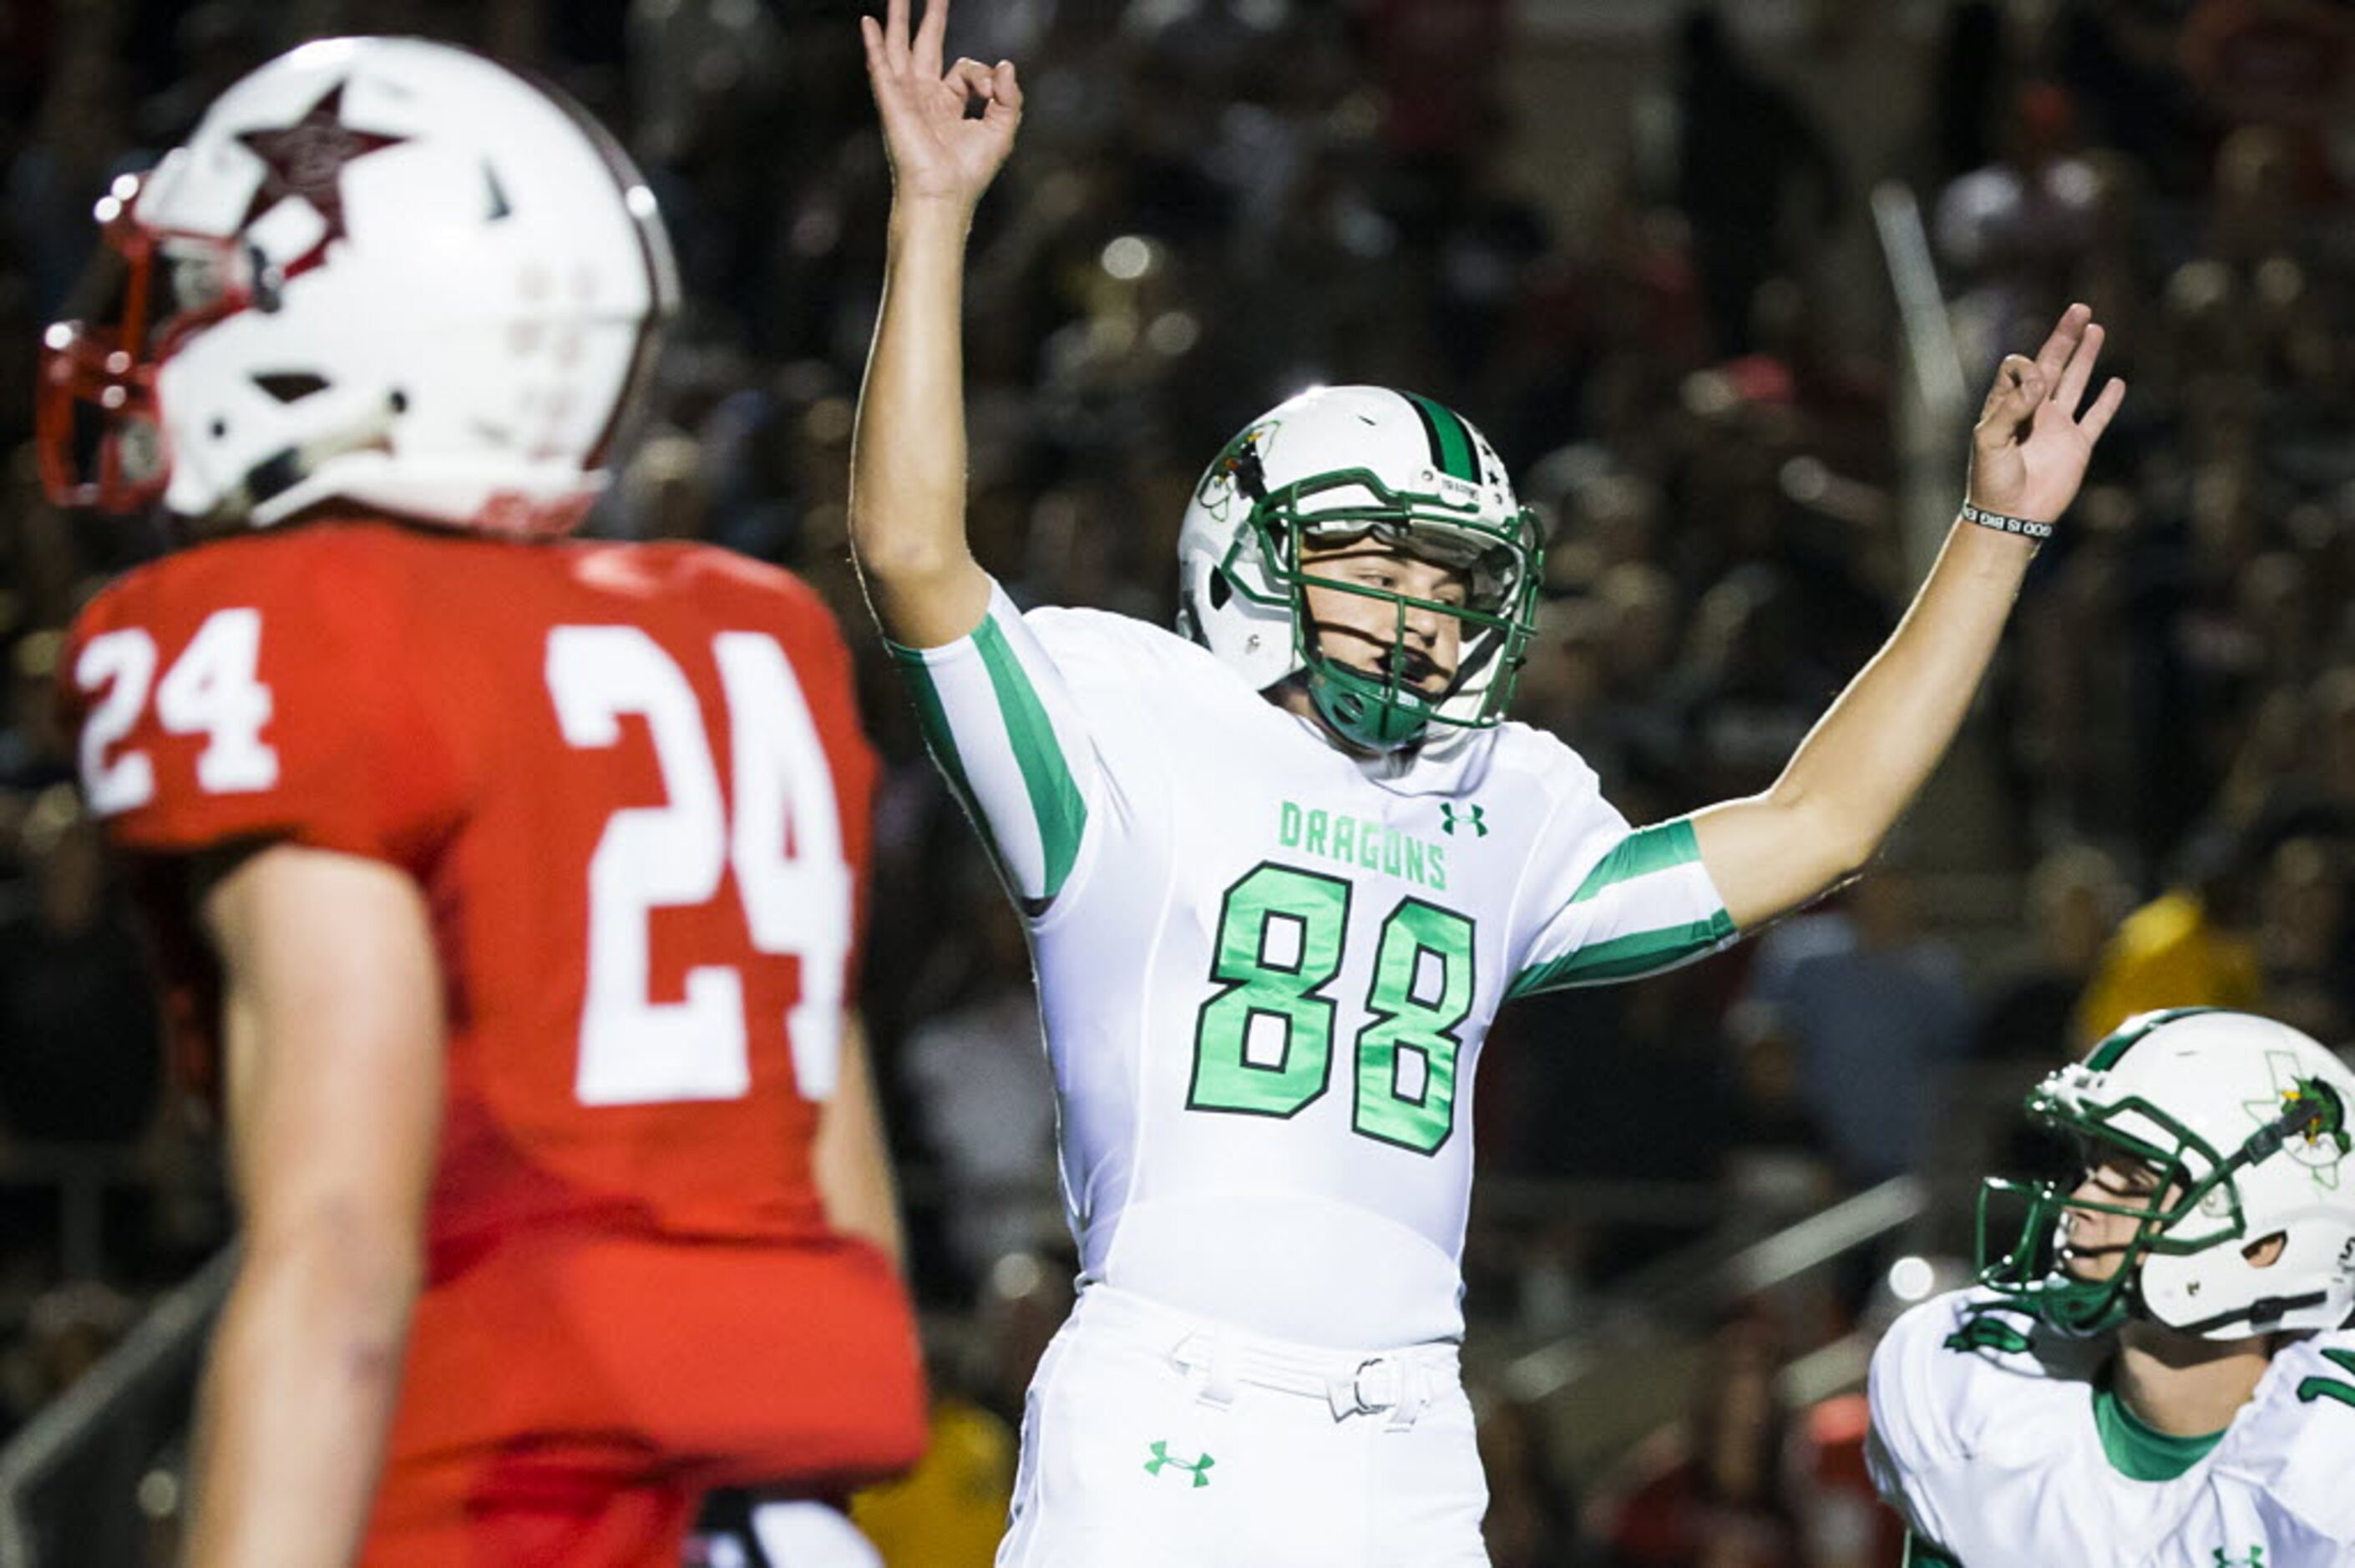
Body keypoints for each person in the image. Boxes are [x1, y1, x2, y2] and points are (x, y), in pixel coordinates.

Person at [850, 2, 2121, 1560]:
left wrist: (1994, 533)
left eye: (1451, 573)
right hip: (1172, 1387)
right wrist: (930, 214)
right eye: (1377, 554)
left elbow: (1820, 823)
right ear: (1252, 560)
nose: (1424, 605)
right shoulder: (1135, 729)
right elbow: (915, 555)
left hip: (1408, 1421)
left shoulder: (1504, 797)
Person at [43, 38, 924, 1566]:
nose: (162, 338)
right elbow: (831, 1187)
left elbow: (336, 1253)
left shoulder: (289, 629)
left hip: (506, 1497)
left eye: (205, 295)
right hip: (779, 1515)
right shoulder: (744, 634)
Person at [1867, 1008, 2355, 1566]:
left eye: (2133, 1185)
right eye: (2094, 1169)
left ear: (2265, 1245)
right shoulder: (1975, 1387)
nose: (2081, 1205)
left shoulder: (2336, 1465)